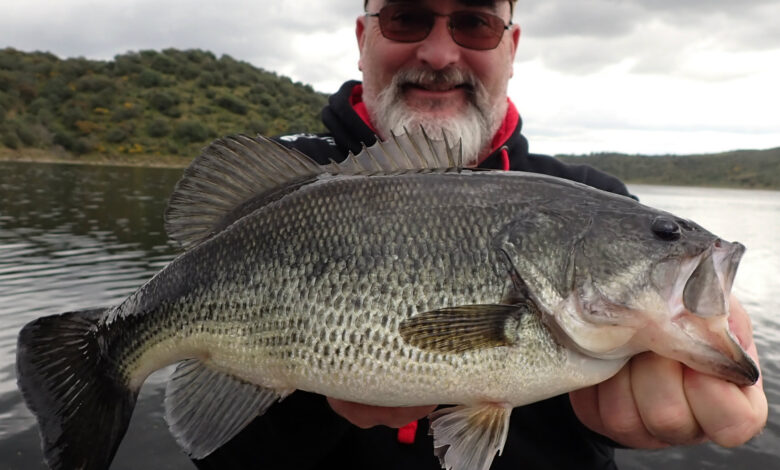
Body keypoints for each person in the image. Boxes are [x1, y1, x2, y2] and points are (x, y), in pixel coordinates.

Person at [194, 1, 767, 468]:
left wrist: (622, 415)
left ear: (511, 47)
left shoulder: (593, 194)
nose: (439, 52)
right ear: (363, 36)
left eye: (475, 22)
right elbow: (213, 451)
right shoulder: (287, 186)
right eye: (406, 17)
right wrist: (312, 392)